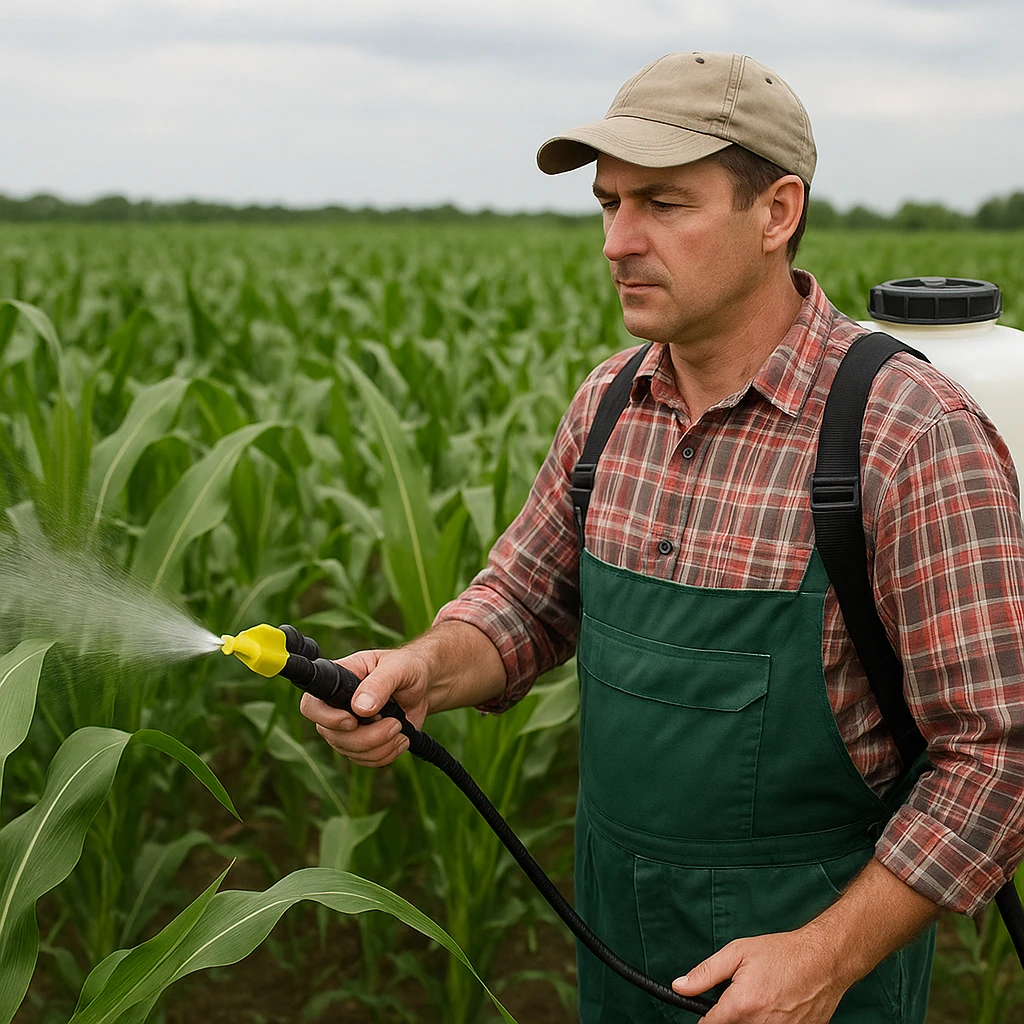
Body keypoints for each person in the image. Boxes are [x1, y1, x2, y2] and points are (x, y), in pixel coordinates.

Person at [300, 52, 1024, 1023]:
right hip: (616, 943)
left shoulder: (903, 434)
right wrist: (423, 670)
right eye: (607, 204)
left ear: (774, 212)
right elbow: (524, 599)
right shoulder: (609, 401)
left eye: (663, 204)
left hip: (816, 979)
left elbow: (997, 751)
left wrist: (821, 958)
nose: (617, 241)